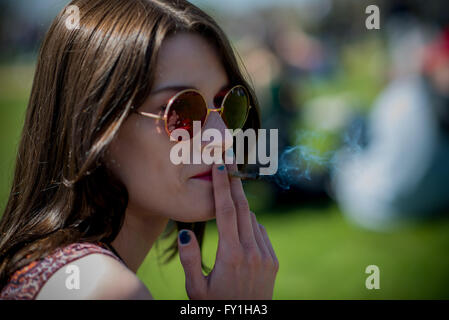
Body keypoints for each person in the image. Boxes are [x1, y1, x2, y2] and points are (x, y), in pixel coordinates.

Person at [0, 0, 278, 299]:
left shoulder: (50, 270)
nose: (222, 136)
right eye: (182, 110)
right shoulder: (106, 290)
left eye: (229, 103)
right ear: (95, 126)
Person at [332, 28, 449, 230]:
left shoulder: (400, 96)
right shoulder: (423, 99)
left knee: (355, 127)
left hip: (376, 206)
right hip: (434, 201)